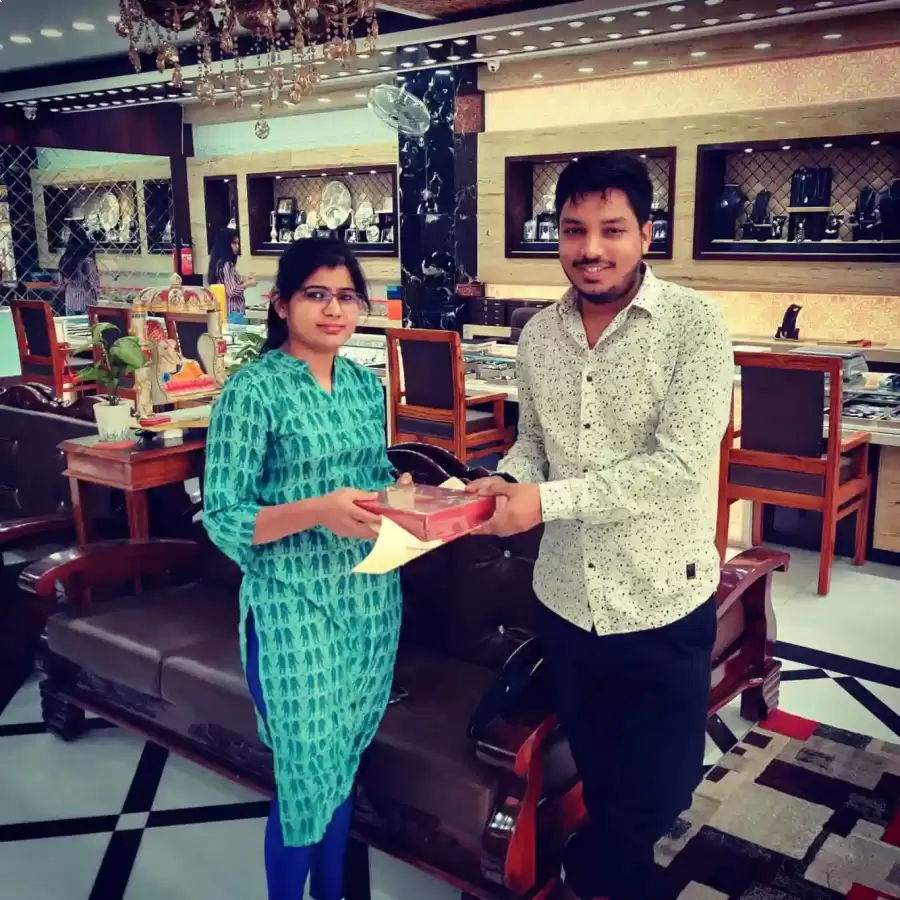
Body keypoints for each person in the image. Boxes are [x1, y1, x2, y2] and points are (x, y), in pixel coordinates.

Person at [468, 153, 733, 900]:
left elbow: (679, 465)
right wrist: (509, 480)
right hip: (566, 597)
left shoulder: (693, 325)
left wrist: (545, 502)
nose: (591, 248)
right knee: (601, 767)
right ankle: (615, 881)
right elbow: (534, 441)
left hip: (661, 595)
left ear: (646, 233)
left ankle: (593, 868)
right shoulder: (537, 336)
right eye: (574, 229)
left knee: (664, 786)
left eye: (612, 229)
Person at [203, 239, 408, 900]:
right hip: (292, 606)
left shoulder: (363, 385)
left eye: (346, 296)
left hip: (369, 599)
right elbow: (224, 515)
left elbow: (372, 478)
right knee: (304, 776)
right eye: (316, 294)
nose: (333, 309)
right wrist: (318, 510)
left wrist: (400, 493)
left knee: (340, 764)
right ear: (281, 304)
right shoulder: (252, 391)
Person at [208, 226, 257, 324]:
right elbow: (232, 291)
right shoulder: (227, 265)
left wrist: (242, 281)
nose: (237, 246)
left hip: (226, 312)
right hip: (233, 312)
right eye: (234, 243)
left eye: (238, 243)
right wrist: (248, 284)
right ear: (225, 245)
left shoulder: (218, 263)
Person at [59, 220, 100, 315]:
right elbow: (94, 284)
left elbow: (61, 285)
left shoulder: (65, 260)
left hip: (70, 302)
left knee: (71, 325)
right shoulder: (88, 261)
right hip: (87, 302)